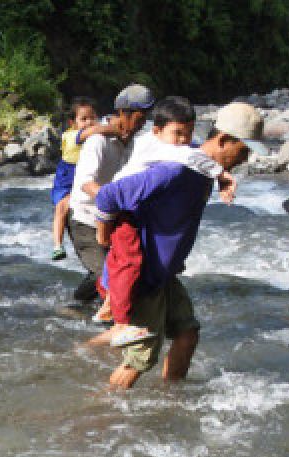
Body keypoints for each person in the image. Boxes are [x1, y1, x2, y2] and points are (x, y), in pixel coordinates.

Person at [93, 102, 264, 389]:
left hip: (162, 274)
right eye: (244, 150)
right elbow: (108, 196)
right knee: (140, 359)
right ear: (222, 140)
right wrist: (102, 237)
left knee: (187, 333)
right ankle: (98, 415)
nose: (245, 159)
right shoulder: (173, 171)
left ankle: (173, 399)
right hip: (142, 275)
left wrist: (220, 178)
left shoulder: (202, 166)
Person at [99, 96, 237, 342]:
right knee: (128, 265)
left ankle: (104, 318)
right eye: (178, 134)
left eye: (189, 132)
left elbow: (193, 154)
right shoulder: (163, 155)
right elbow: (108, 196)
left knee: (186, 332)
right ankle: (120, 324)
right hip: (125, 216)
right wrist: (221, 175)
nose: (184, 140)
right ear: (157, 131)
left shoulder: (176, 149)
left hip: (133, 220)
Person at [67, 84, 155, 308]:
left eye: (146, 116)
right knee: (109, 278)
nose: (143, 122)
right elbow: (85, 183)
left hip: (112, 219)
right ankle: (106, 329)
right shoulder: (98, 141)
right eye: (139, 116)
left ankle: (80, 305)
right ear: (123, 113)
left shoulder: (135, 143)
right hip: (85, 219)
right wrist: (111, 199)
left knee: (118, 273)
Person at [51, 97, 98, 261]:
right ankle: (57, 245)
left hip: (84, 175)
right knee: (62, 207)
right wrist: (112, 129)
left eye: (92, 117)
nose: (90, 122)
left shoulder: (95, 138)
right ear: (73, 122)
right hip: (68, 176)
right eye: (84, 119)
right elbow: (90, 132)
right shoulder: (71, 136)